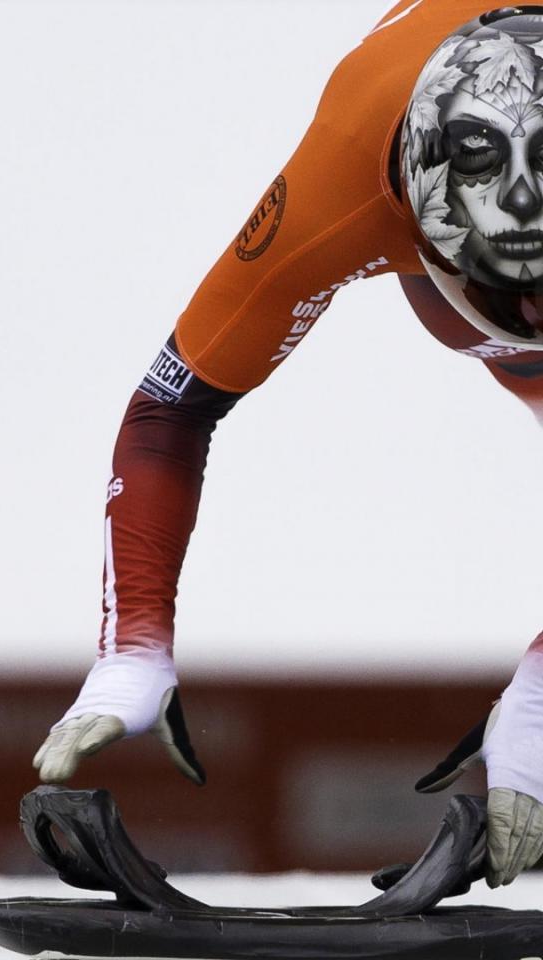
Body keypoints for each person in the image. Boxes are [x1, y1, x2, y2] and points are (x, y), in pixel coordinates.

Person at [33, 1, 543, 889]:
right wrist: (133, 643)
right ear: (422, 221)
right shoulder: (341, 176)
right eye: (511, 294)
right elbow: (168, 410)